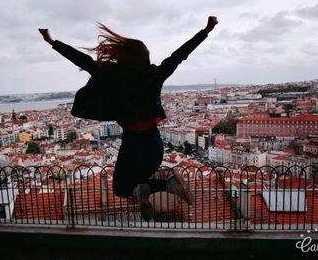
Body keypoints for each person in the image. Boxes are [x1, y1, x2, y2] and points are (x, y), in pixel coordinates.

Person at [39, 16, 218, 221]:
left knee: (122, 188)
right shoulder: (155, 75)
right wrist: (206, 31)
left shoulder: (113, 76)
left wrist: (52, 42)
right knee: (134, 184)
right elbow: (180, 55)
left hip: (131, 143)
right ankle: (160, 188)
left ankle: (163, 187)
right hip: (153, 143)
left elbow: (84, 61)